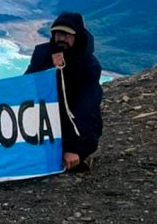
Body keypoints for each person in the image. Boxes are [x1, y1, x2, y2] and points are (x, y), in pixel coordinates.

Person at [25, 11, 103, 172]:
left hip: (73, 124)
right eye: (58, 34)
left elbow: (86, 109)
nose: (61, 38)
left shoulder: (89, 65)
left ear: (78, 37)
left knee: (67, 161)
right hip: (45, 121)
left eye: (67, 35)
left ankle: (78, 154)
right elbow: (26, 87)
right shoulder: (42, 55)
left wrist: (74, 147)